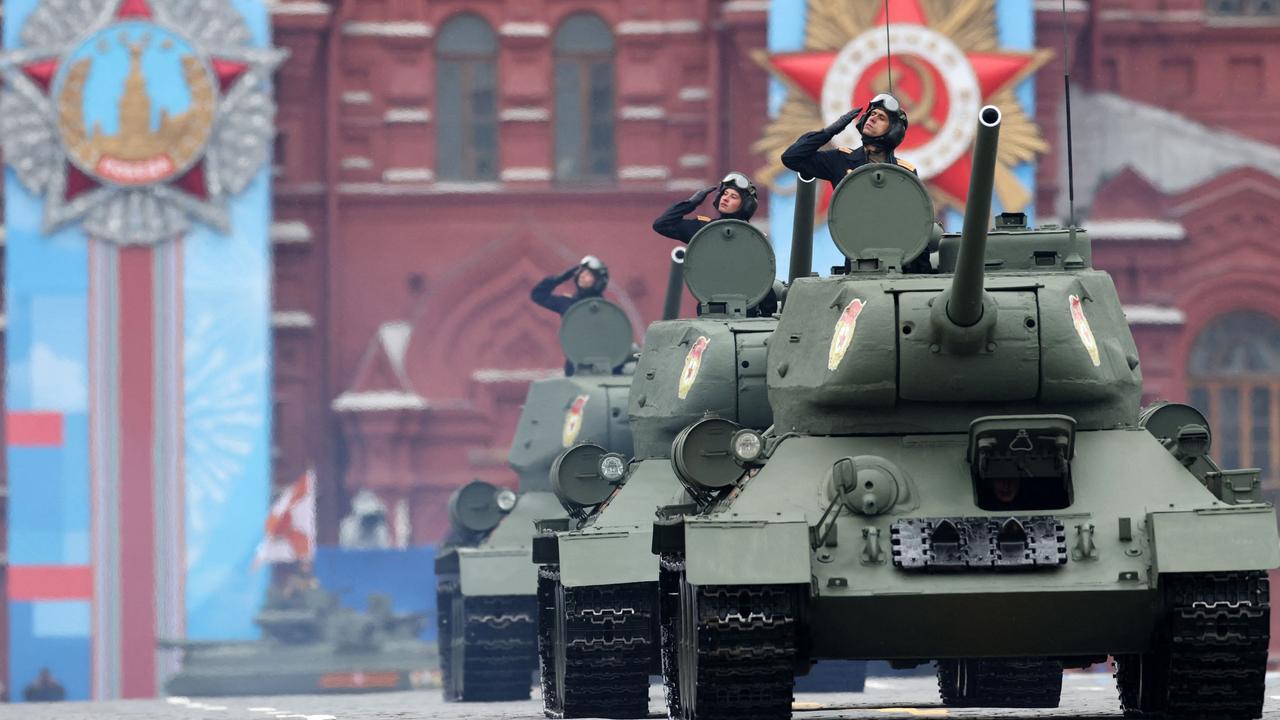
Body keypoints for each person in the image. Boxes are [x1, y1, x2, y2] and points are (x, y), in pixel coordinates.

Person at [780, 93, 915, 188]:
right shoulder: (841, 160)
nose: (872, 118)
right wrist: (830, 131)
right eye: (872, 114)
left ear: (893, 131)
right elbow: (791, 157)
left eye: (881, 118)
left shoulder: (904, 173)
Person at [652, 171, 759, 243]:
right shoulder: (703, 229)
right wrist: (691, 203)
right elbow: (661, 224)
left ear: (745, 206)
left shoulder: (752, 239)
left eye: (733, 196)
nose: (725, 198)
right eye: (725, 193)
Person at [530, 255, 609, 316]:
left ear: (598, 282)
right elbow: (538, 295)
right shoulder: (567, 304)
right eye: (583, 271)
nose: (582, 275)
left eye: (589, 274)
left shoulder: (601, 308)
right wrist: (560, 278)